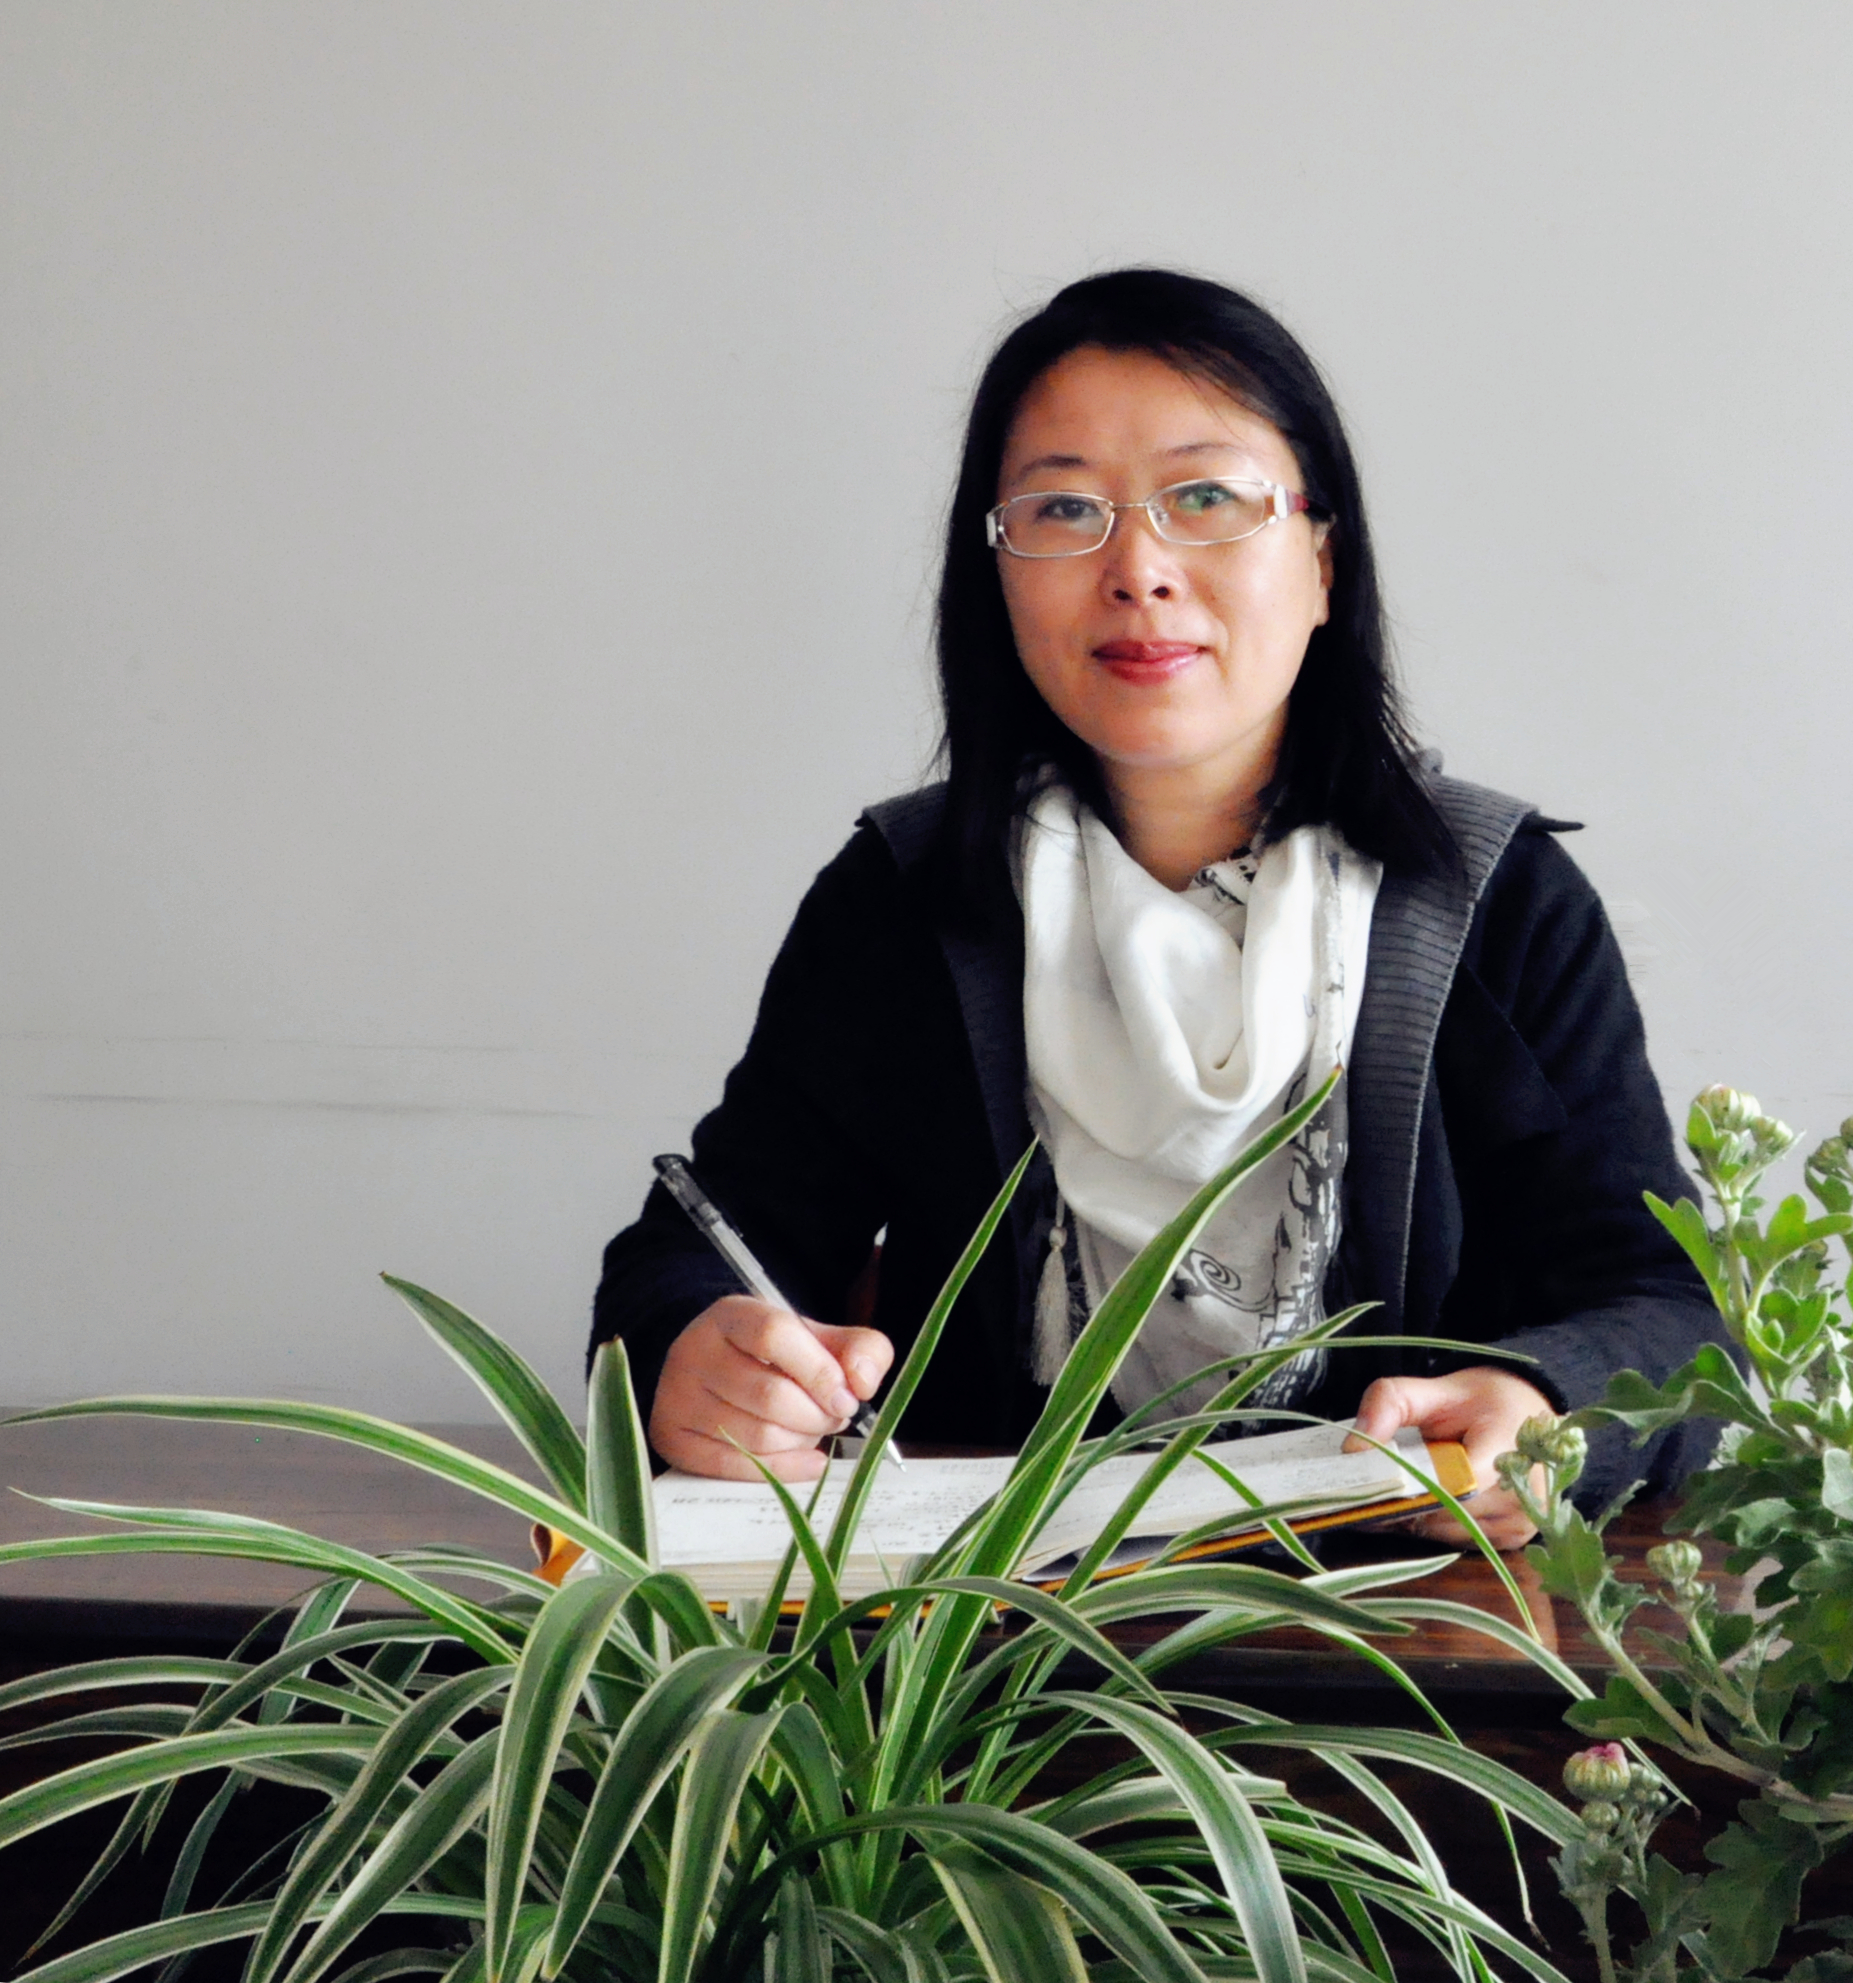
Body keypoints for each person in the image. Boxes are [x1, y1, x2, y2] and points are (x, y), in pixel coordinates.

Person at [591, 269, 1723, 1547]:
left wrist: (1546, 1405)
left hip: (1415, 1614)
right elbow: (698, 1252)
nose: (1138, 570)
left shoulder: (1494, 902)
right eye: (1063, 509)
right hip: (989, 1626)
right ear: (995, 574)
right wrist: (699, 1354)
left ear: (1323, 558)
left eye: (1207, 499)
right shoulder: (906, 901)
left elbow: (1670, 1316)